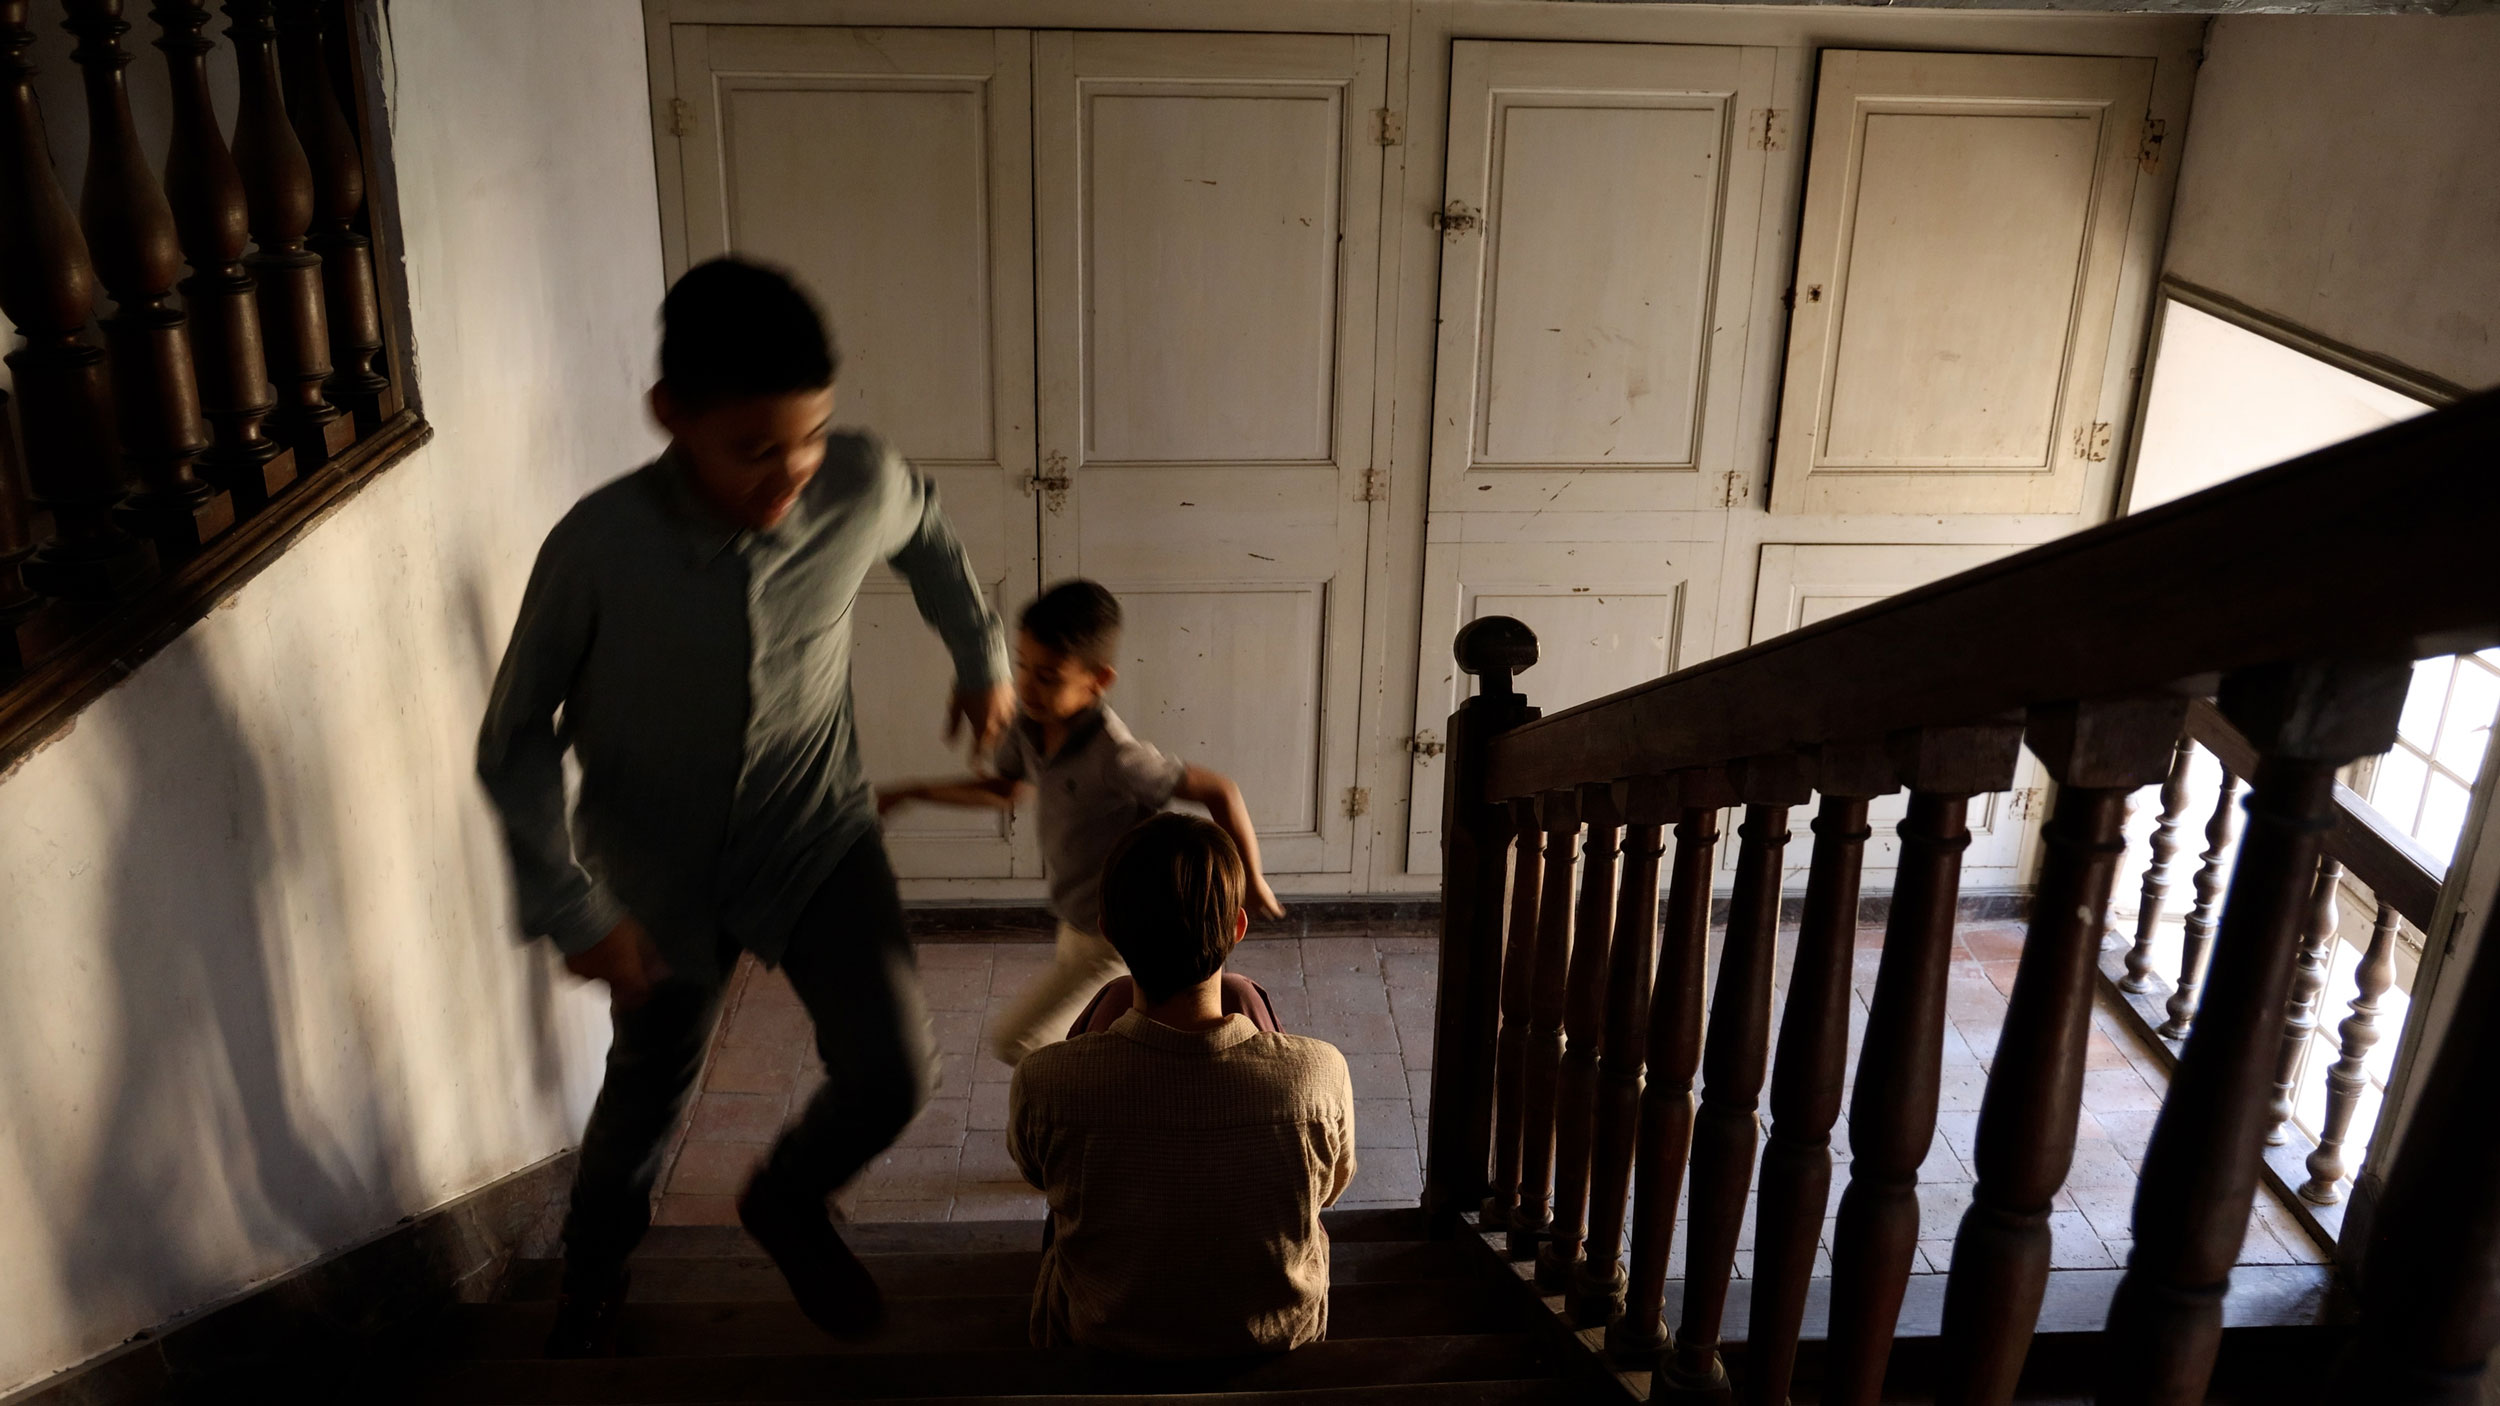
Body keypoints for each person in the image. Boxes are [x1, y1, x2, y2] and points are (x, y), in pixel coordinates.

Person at [476, 257, 1013, 1355]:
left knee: (896, 1068)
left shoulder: (857, 481)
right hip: (652, 876)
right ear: (669, 414)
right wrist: (571, 905)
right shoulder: (597, 548)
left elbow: (926, 532)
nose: (791, 473)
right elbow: (515, 734)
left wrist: (980, 654)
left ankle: (787, 1197)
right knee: (646, 1096)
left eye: (809, 436)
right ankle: (591, 1270)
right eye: (754, 449)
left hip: (815, 832)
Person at [877, 579, 1283, 1067]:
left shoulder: (1116, 755)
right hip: (1076, 925)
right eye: (1023, 666)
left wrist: (1252, 880)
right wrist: (912, 792)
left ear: (1098, 679)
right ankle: (1113, 1098)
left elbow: (1221, 790)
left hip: (1123, 941)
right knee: (1099, 1039)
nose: (1028, 686)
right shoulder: (1029, 726)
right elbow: (1008, 789)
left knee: (1022, 1042)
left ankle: (1081, 1104)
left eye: (1049, 676)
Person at [1008, 813, 1357, 1359]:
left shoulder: (1044, 1079)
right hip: (1274, 1339)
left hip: (1101, 1338)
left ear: (1108, 930)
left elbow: (1037, 1174)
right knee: (1243, 993)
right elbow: (1330, 1189)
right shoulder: (1320, 1072)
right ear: (1237, 927)